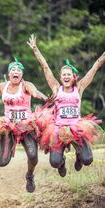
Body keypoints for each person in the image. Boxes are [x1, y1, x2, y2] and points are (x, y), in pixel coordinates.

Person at [27, 34, 105, 176]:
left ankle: (79, 158)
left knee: (88, 159)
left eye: (69, 74)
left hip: (77, 127)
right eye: (64, 75)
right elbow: (45, 68)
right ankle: (61, 163)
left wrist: (103, 57)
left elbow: (95, 67)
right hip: (58, 128)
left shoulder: (79, 88)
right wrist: (35, 49)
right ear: (61, 77)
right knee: (54, 162)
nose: (66, 77)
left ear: (74, 77)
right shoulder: (56, 88)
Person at [0, 57, 48, 193]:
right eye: (13, 69)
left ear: (22, 74)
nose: (16, 72)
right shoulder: (4, 86)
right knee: (3, 161)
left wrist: (44, 98)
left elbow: (35, 92)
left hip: (26, 125)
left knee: (33, 155)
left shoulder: (26, 85)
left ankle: (29, 176)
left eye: (19, 70)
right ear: (9, 74)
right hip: (8, 126)